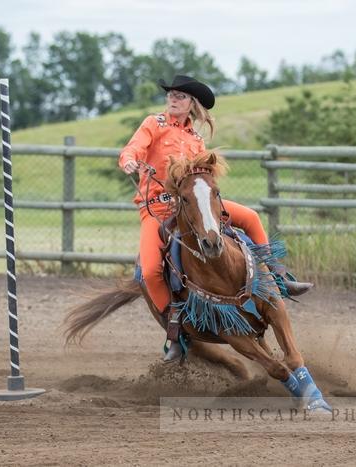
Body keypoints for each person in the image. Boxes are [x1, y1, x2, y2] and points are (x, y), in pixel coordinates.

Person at [119, 75, 312, 362]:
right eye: (171, 94)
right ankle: (175, 331)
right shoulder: (153, 124)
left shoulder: (196, 139)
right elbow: (133, 148)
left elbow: (204, 178)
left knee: (250, 216)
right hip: (158, 210)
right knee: (149, 272)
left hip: (197, 205)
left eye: (180, 96)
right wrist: (130, 160)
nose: (173, 99)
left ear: (191, 104)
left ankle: (278, 277)